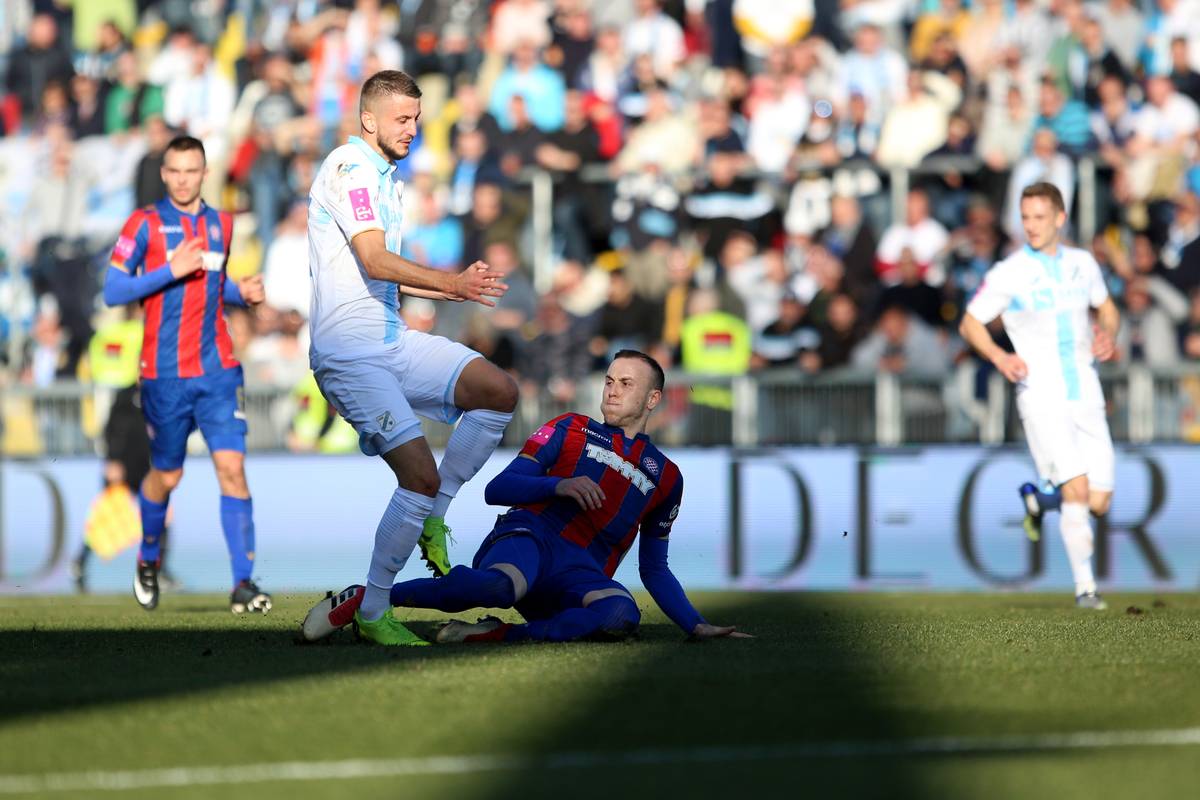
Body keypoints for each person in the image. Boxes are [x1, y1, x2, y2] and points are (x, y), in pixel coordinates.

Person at [302, 351, 750, 645]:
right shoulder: (571, 427)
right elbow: (500, 489)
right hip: (528, 538)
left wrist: (694, 624)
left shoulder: (667, 478)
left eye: (626, 384)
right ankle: (369, 597)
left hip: (579, 573)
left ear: (653, 398)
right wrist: (557, 485)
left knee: (619, 615)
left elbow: (653, 566)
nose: (612, 390)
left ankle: (493, 636)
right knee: (498, 586)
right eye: (610, 380)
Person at [306, 70, 518, 647]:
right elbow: (374, 260)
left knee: (498, 391)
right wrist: (452, 285)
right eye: (402, 119)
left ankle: (433, 517)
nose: (413, 129)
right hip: (350, 353)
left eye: (417, 119)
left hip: (389, 340)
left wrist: (449, 288)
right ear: (368, 120)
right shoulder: (349, 168)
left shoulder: (386, 178)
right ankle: (374, 611)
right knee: (418, 475)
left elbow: (381, 272)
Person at [104, 135, 269, 614]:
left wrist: (243, 292)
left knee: (232, 468)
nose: (182, 179)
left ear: (204, 172)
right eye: (174, 171)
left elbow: (213, 284)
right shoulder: (144, 224)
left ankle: (243, 583)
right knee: (167, 475)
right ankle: (148, 555)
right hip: (164, 375)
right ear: (163, 173)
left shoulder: (221, 223)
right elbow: (114, 290)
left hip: (218, 369)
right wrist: (169, 271)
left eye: (191, 171)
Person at [958, 182, 1120, 610]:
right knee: (1080, 489)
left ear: (1060, 219)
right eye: (1025, 217)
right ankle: (1086, 589)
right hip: (1040, 393)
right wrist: (998, 355)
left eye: (1039, 217)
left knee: (1100, 501)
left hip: (1085, 387)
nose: (1030, 226)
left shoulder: (1083, 264)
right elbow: (970, 323)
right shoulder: (1009, 271)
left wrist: (1110, 333)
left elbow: (1107, 307)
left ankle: (1039, 498)